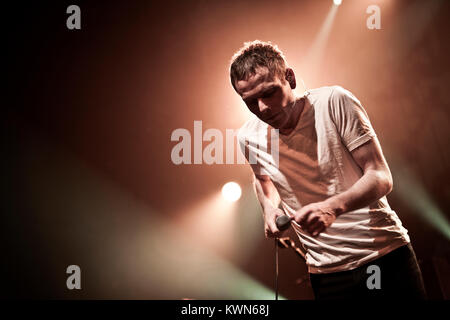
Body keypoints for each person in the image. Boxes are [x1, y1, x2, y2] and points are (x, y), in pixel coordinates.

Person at [230, 40, 427, 299]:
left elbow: (380, 176)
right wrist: (268, 209)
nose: (263, 108)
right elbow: (262, 179)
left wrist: (332, 207)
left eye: (269, 93)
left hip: (383, 255)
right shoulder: (248, 137)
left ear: (290, 77)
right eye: (251, 101)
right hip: (326, 274)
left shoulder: (334, 101)